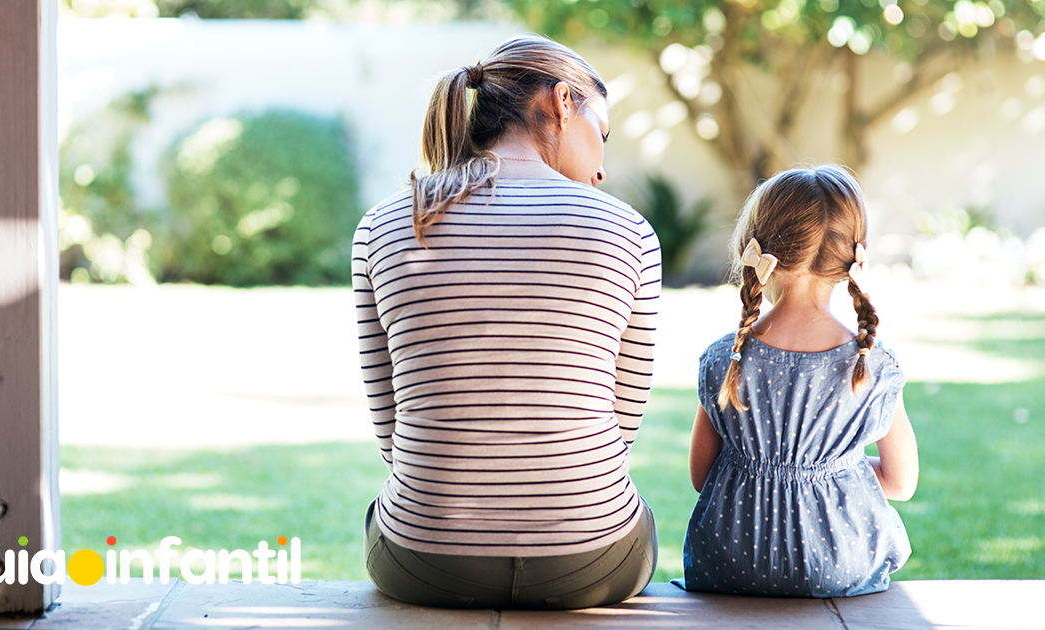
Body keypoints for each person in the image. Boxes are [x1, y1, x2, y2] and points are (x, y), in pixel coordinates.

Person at [351, 35, 662, 609]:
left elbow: (391, 429)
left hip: (424, 560)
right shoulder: (628, 232)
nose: (602, 167)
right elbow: (621, 427)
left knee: (384, 510)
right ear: (563, 102)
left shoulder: (385, 224)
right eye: (603, 133)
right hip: (591, 561)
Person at [679, 165, 918, 598]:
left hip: (731, 565)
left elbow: (701, 475)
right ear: (852, 259)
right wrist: (831, 470)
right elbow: (901, 483)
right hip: (840, 566)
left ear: (756, 249)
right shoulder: (872, 364)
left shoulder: (723, 358)